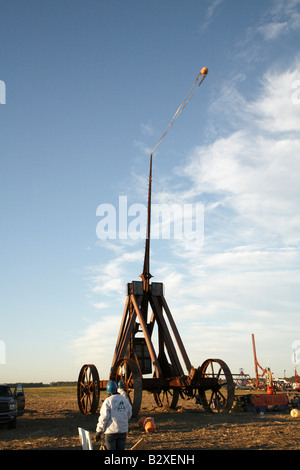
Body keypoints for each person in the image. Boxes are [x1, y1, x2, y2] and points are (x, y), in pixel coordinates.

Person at [96, 380, 132, 450]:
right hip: (122, 431)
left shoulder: (108, 401)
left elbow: (104, 417)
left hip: (110, 432)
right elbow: (129, 414)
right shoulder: (124, 400)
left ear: (108, 391)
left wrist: (99, 431)